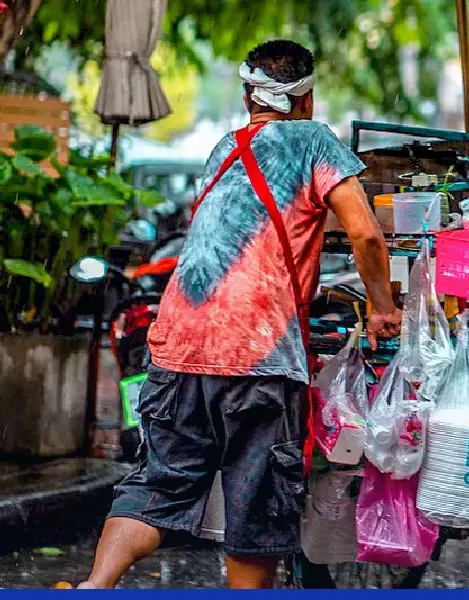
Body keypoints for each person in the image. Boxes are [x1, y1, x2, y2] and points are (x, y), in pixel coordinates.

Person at [76, 40, 401, 589]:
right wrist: (383, 306)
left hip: (177, 343)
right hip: (257, 353)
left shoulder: (224, 147)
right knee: (255, 510)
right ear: (307, 100)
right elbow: (366, 234)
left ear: (250, 96)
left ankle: (94, 586)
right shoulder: (314, 141)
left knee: (158, 485)